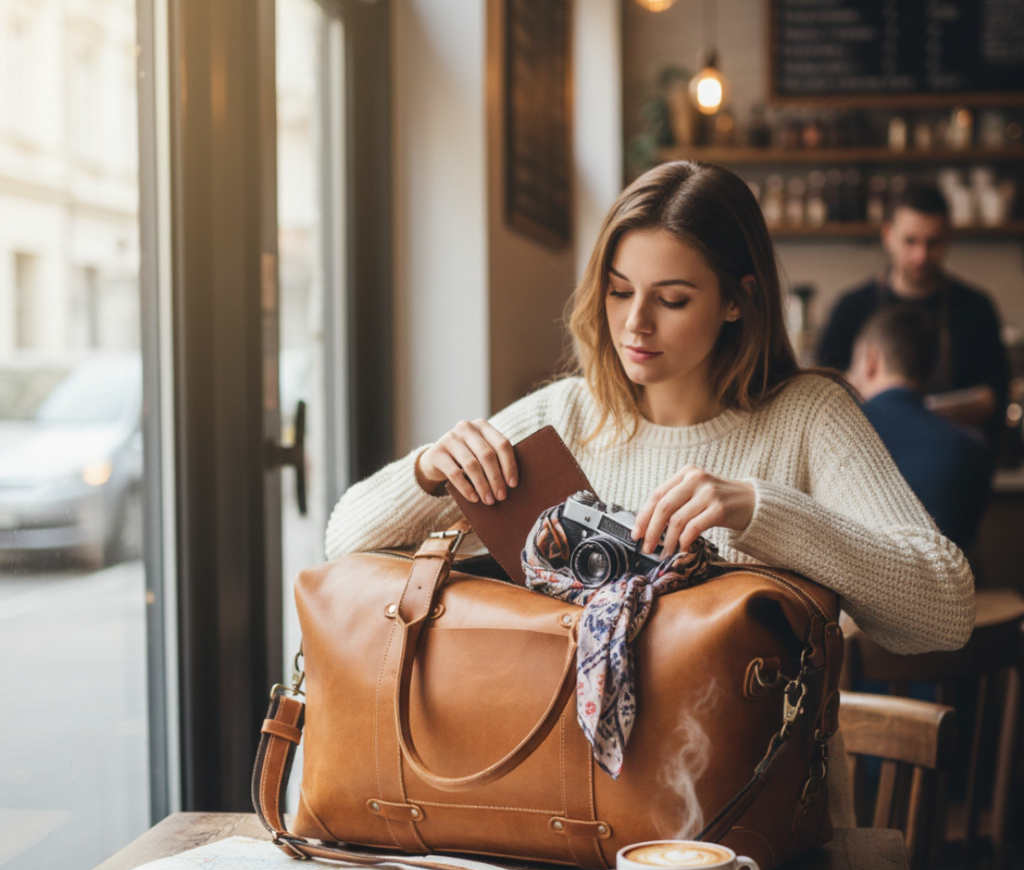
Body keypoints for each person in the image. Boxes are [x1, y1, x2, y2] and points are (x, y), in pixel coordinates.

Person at [326, 161, 973, 656]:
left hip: (748, 815)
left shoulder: (808, 418)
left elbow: (946, 613)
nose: (634, 324)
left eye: (671, 299)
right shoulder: (568, 416)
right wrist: (426, 473)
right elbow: (343, 543)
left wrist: (762, 511)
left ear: (737, 301)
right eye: (618, 291)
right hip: (566, 805)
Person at [815, 183, 1009, 449]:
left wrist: (920, 414)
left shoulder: (976, 308)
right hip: (867, 461)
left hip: (948, 460)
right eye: (910, 241)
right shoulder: (851, 307)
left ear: (949, 237)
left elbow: (992, 397)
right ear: (888, 235)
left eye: (933, 243)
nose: (921, 256)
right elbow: (823, 391)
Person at [846, 305, 991, 552]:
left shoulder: (841, 433)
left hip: (852, 587)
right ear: (933, 371)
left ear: (871, 361)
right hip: (954, 588)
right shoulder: (972, 450)